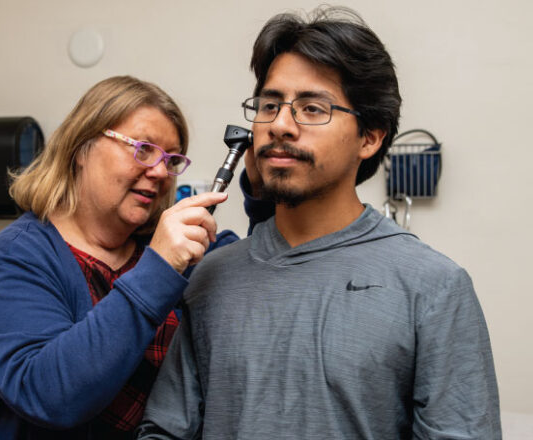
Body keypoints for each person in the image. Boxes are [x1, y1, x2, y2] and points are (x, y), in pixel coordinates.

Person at [137, 7, 501, 439]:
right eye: (270, 105)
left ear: (370, 136)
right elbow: (164, 431)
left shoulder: (433, 287)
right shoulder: (211, 278)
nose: (280, 125)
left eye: (312, 108)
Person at [0, 76, 268, 439]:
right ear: (81, 148)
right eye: (143, 149)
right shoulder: (15, 258)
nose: (159, 172)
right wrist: (158, 268)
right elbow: (50, 396)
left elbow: (266, 273)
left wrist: (263, 194)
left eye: (171, 159)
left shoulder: (180, 253)